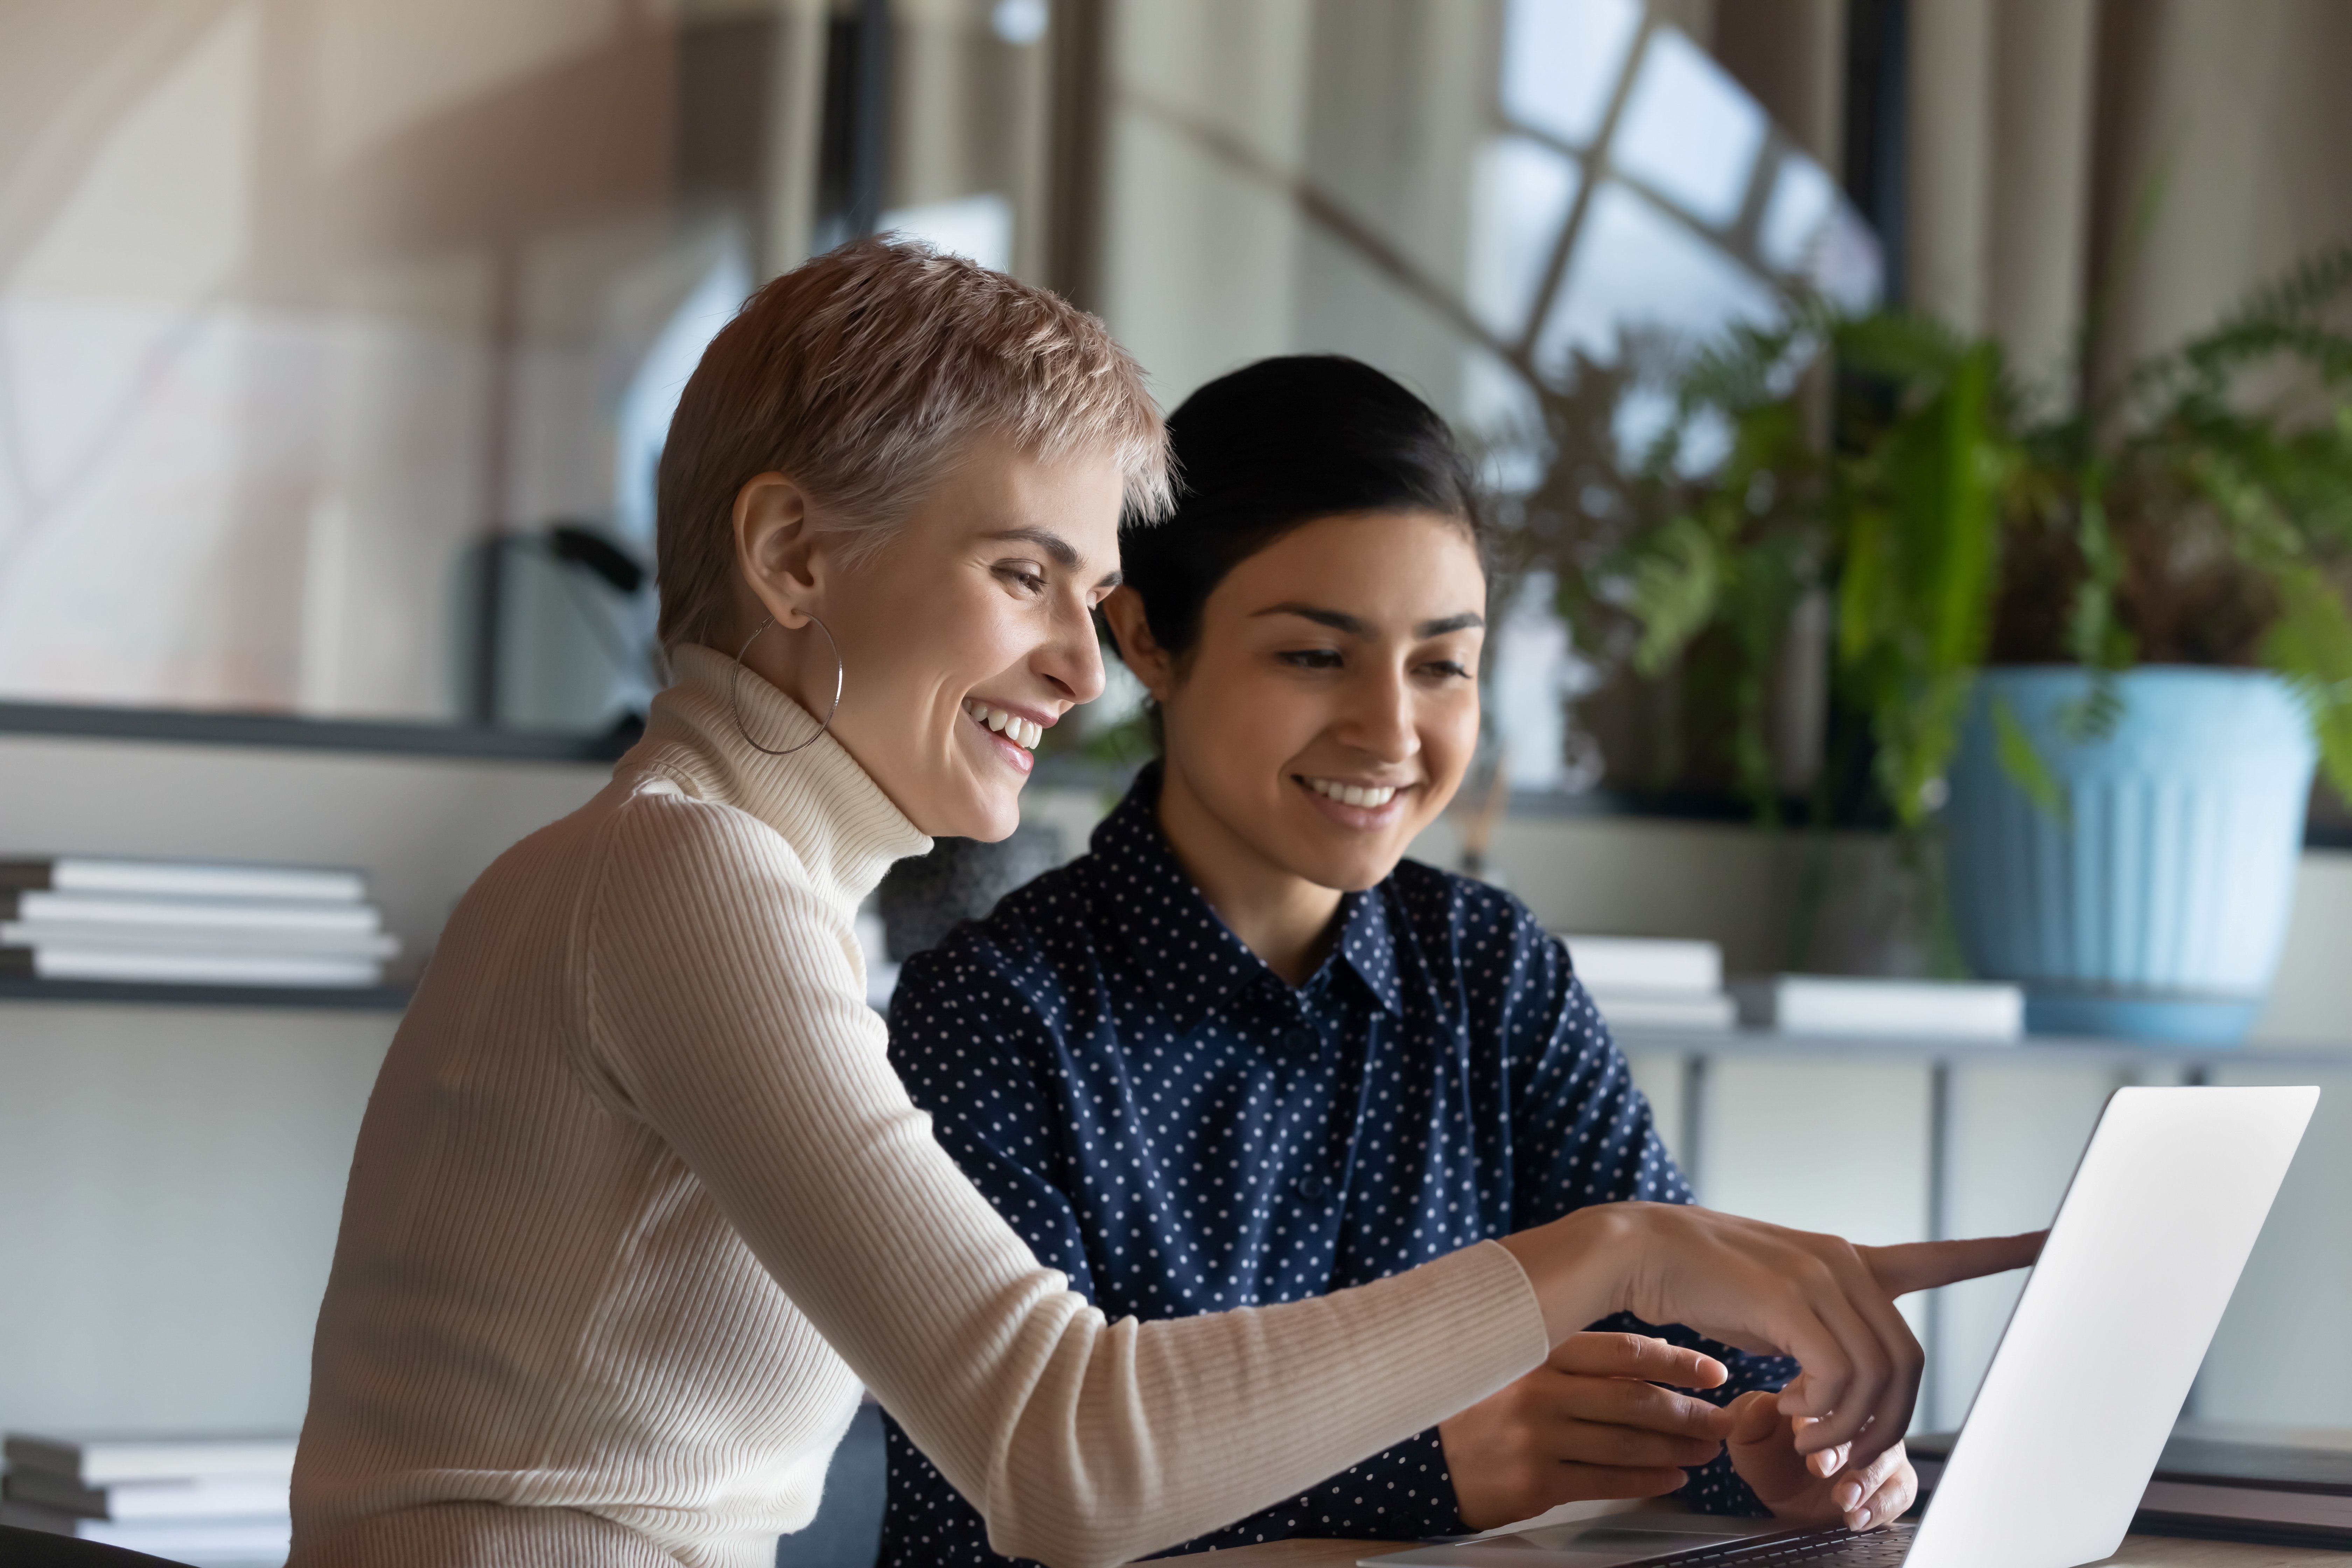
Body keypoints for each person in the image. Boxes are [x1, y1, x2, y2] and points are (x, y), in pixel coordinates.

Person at [289, 244, 2036, 1568]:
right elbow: (1060, 1455)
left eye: (1094, 588)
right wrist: (1614, 1255)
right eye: (1022, 575)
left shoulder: (738, 883)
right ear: (797, 559)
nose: (1076, 658)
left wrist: (1747, 1406)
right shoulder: (686, 883)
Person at [877, 356, 1978, 1564]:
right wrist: (1430, 1468)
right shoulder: (992, 1018)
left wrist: (1775, 1446)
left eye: (1443, 663)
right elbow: (976, 1523)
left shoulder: (1486, 972)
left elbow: (1682, 1310)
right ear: (1146, 636)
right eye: (1314, 656)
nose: (1392, 731)